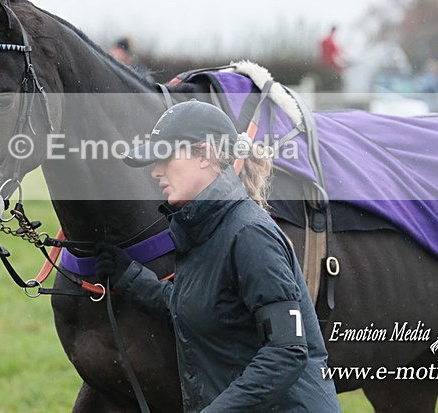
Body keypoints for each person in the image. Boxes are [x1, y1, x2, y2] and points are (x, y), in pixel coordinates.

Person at [96, 100, 341, 412]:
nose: (156, 171)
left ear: (203, 154)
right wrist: (130, 278)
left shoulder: (250, 235)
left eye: (165, 157)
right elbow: (202, 308)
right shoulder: (201, 229)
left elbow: (287, 350)